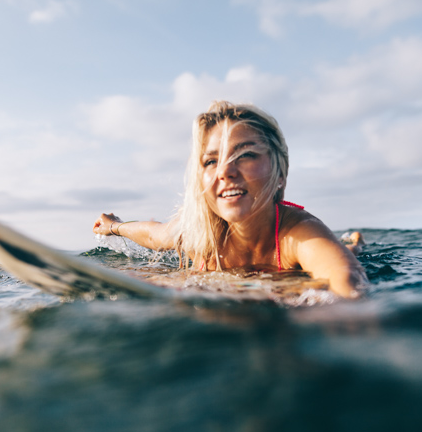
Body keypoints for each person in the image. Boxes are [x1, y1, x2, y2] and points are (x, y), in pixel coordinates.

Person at [92, 101, 368, 298]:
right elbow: (155, 236)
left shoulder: (296, 234)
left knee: (348, 254)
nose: (225, 171)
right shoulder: (197, 231)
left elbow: (345, 283)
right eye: (211, 161)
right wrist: (114, 226)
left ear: (280, 172)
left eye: (245, 155)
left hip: (305, 260)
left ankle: (351, 244)